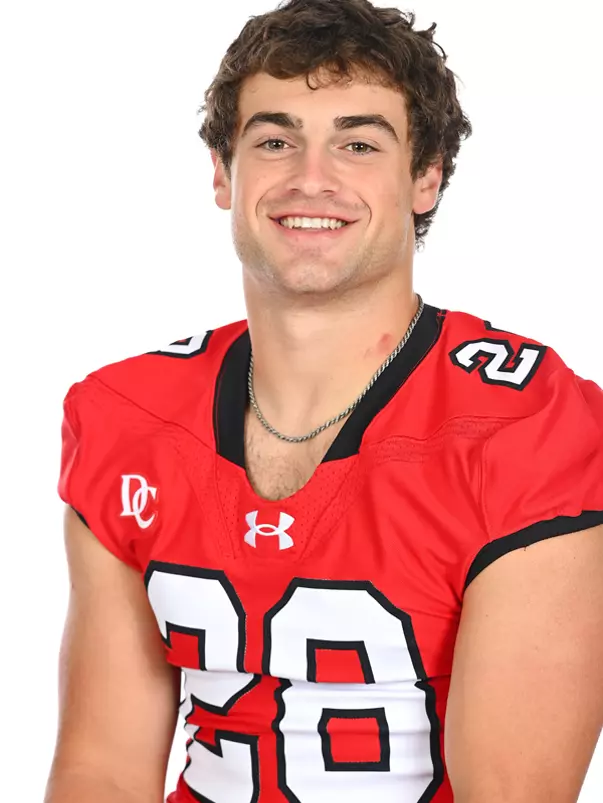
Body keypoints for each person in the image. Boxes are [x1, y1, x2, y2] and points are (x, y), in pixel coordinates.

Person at [45, 0, 603, 801]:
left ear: (425, 177)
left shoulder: (526, 423)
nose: (311, 177)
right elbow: (101, 769)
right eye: (274, 141)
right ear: (222, 174)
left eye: (358, 144)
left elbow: (510, 793)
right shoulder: (126, 414)